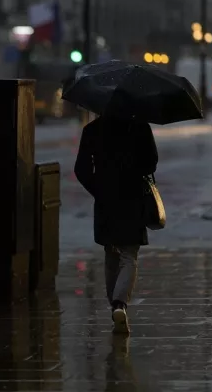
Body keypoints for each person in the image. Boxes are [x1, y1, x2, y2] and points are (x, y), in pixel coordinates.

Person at [74, 114, 158, 334]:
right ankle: (120, 305)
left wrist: (98, 189)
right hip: (133, 198)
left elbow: (81, 169)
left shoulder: (93, 129)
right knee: (129, 255)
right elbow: (151, 163)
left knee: (111, 253)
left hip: (105, 200)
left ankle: (115, 308)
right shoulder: (140, 126)